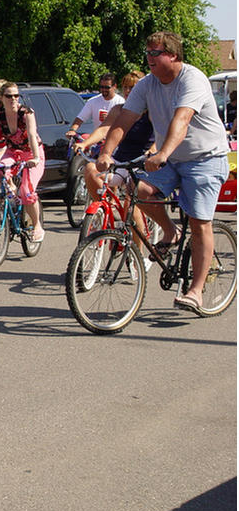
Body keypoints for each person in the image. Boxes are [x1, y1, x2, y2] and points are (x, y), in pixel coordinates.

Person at [96, 31, 229, 315]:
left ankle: (195, 291)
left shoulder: (192, 80)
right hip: (171, 159)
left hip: (204, 158)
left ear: (174, 55)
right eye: (147, 53)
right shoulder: (147, 84)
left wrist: (163, 154)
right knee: (138, 191)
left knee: (199, 221)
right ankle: (171, 231)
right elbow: (123, 121)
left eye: (156, 53)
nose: (150, 58)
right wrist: (106, 153)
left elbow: (182, 120)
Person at [0, 82, 46, 242]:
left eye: (16, 96)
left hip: (32, 152)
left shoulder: (26, 112)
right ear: (1, 98)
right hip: (12, 151)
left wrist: (35, 157)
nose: (13, 99)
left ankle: (37, 225)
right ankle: (7, 201)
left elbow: (32, 135)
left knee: (27, 190)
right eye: (9, 96)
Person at [74, 70, 156, 200]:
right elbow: (103, 130)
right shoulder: (119, 109)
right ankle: (104, 208)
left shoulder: (152, 111)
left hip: (142, 163)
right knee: (90, 169)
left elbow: (162, 133)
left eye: (132, 87)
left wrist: (153, 150)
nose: (128, 91)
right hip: (121, 161)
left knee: (132, 204)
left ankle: (133, 217)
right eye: (125, 87)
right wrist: (85, 143)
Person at [66, 72, 125, 138]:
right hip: (98, 140)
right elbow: (80, 118)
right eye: (102, 87)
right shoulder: (93, 101)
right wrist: (72, 130)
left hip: (115, 140)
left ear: (115, 86)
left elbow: (124, 124)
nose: (104, 90)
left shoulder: (121, 102)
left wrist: (111, 119)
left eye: (107, 87)